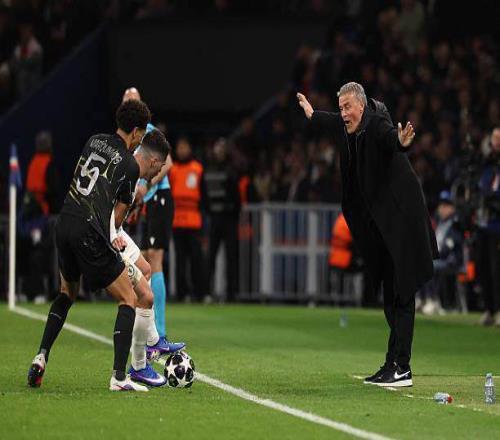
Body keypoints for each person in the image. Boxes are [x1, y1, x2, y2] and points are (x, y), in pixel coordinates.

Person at [297, 82, 438, 387]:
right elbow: (328, 120)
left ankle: (402, 367)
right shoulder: (348, 125)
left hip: (403, 221)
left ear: (362, 105)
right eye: (341, 108)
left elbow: (390, 139)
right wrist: (311, 113)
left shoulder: (376, 126)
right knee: (390, 295)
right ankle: (392, 363)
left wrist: (401, 142)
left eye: (348, 107)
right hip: (386, 224)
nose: (343, 113)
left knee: (401, 293)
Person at [28, 99, 168, 392]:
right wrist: (113, 239)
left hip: (65, 221)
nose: (139, 141)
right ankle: (119, 377)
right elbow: (116, 218)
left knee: (67, 293)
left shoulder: (94, 140)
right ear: (135, 131)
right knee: (128, 297)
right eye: (141, 135)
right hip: (89, 231)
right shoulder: (130, 164)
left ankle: (41, 356)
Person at [121, 87, 185, 355]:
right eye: (126, 101)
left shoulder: (147, 131)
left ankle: (160, 330)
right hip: (147, 203)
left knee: (154, 261)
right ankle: (150, 331)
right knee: (146, 260)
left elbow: (168, 163)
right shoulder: (128, 133)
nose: (130, 104)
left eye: (133, 100)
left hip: (159, 198)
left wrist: (147, 184)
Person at [170, 137, 207, 302]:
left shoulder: (197, 169)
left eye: (184, 147)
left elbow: (204, 197)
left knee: (196, 259)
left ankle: (200, 294)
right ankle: (181, 294)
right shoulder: (172, 169)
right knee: (180, 260)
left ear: (190, 149)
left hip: (193, 221)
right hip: (177, 221)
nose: (182, 150)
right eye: (180, 147)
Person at [205, 138, 241, 302]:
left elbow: (236, 196)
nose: (219, 151)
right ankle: (206, 292)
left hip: (228, 218)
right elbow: (204, 193)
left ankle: (231, 294)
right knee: (211, 256)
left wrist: (231, 210)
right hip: (215, 217)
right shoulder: (208, 169)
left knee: (231, 256)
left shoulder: (231, 169)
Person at [476, 127, 500, 326]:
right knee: (483, 266)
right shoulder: (487, 167)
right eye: (495, 138)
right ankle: (489, 309)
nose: (496, 142)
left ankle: (498, 309)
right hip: (483, 224)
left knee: (496, 269)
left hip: (497, 226)